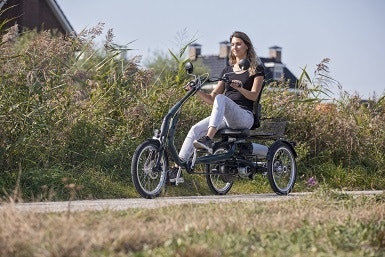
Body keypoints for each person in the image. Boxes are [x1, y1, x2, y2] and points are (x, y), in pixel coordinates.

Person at [169, 31, 265, 183]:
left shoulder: (256, 69)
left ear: (247, 46)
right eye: (232, 44)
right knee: (195, 129)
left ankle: (208, 139)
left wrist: (240, 88)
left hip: (245, 116)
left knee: (222, 98)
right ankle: (176, 170)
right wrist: (197, 91)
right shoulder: (227, 71)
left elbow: (253, 96)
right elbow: (212, 99)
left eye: (238, 43)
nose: (235, 47)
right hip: (226, 117)